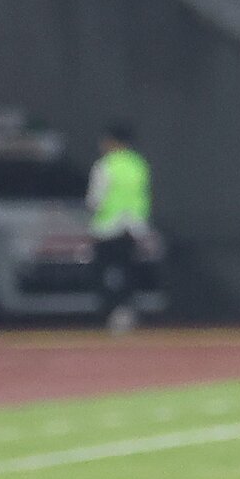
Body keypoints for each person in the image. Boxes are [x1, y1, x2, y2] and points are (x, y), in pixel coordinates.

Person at [87, 124, 152, 333]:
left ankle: (112, 311)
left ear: (112, 141)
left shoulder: (105, 165)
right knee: (128, 271)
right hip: (133, 227)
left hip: (107, 227)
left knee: (102, 272)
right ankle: (126, 310)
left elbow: (95, 200)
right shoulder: (138, 165)